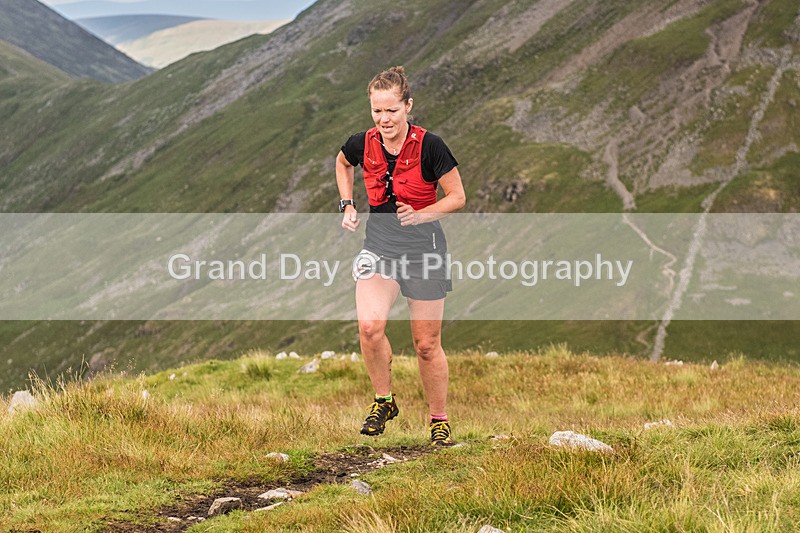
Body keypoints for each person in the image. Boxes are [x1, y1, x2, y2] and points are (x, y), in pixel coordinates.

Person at [335, 66, 466, 446]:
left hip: (425, 250)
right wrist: (347, 203)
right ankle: (384, 400)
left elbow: (458, 197)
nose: (384, 119)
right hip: (379, 247)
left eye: (391, 110)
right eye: (377, 111)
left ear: (408, 106)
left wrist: (422, 214)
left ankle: (438, 420)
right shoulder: (362, 143)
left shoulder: (431, 146)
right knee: (370, 328)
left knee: (426, 345)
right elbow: (342, 162)